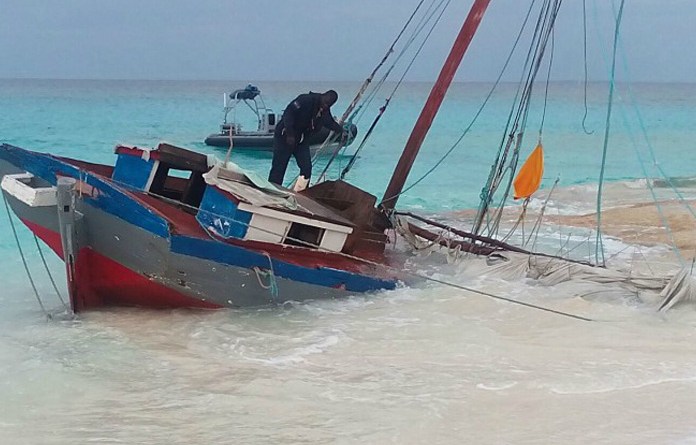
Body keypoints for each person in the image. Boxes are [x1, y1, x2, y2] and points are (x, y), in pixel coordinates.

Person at [268, 90, 347, 189]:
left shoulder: (324, 111)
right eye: (326, 103)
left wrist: (341, 130)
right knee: (279, 166)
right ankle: (272, 189)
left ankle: (302, 191)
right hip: (285, 136)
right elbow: (289, 112)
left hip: (301, 140)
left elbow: (329, 123)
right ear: (323, 96)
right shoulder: (305, 100)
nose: (326, 106)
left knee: (306, 168)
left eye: (329, 105)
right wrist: (290, 133)